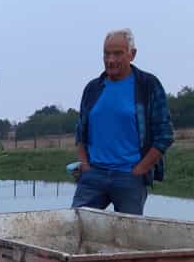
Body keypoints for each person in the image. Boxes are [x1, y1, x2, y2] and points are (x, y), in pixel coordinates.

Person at [72, 29, 174, 215]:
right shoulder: (93, 89)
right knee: (75, 224)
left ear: (132, 54)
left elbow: (165, 135)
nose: (110, 60)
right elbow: (80, 131)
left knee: (128, 231)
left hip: (130, 177)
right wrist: (85, 166)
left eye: (118, 53)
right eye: (106, 54)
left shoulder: (148, 85)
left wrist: (140, 170)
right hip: (93, 176)